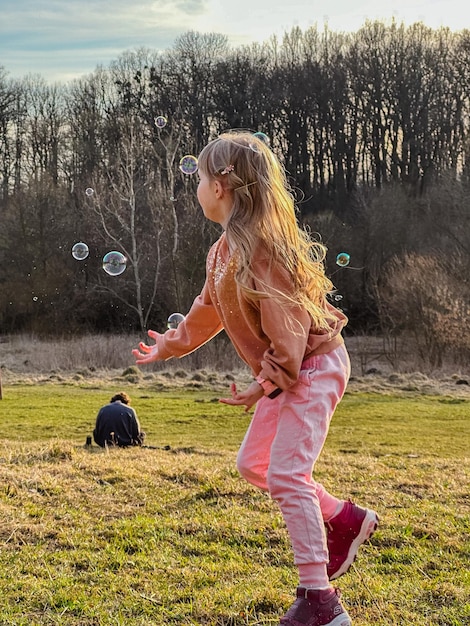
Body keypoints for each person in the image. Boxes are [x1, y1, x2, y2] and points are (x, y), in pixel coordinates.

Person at [132, 131, 378, 626]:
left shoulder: (261, 249)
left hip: (311, 367)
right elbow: (205, 312)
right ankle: (344, 519)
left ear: (220, 187)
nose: (196, 188)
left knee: (286, 473)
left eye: (199, 179)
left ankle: (320, 602)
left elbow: (288, 335)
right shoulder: (222, 252)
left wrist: (264, 383)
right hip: (287, 372)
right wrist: (167, 346)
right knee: (254, 464)